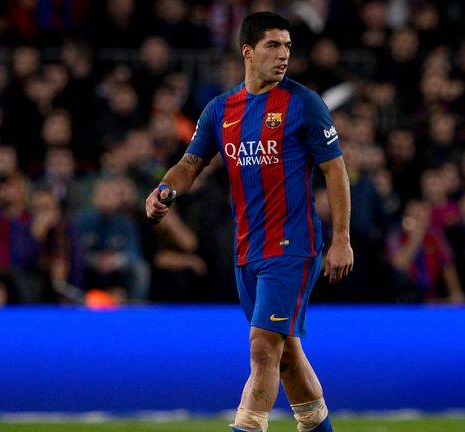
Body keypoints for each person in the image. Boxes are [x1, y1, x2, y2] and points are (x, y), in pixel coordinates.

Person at [145, 12, 352, 432]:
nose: (283, 56)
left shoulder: (304, 104)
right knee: (286, 356)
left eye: (288, 47)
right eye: (273, 46)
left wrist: (341, 239)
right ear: (248, 51)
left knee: (262, 348)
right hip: (247, 251)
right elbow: (191, 163)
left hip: (293, 245)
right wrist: (164, 191)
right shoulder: (222, 109)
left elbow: (335, 170)